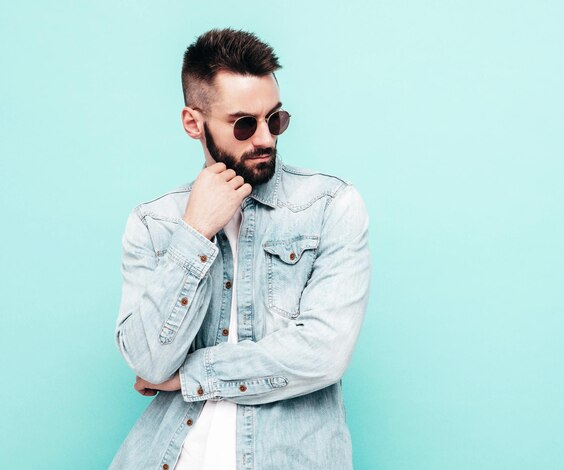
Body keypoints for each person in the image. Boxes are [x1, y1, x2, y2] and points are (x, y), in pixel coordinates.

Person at [110, 28, 370, 470]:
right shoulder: (154, 223)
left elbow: (323, 352)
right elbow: (150, 362)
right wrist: (195, 232)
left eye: (275, 119)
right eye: (244, 123)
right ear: (194, 123)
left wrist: (191, 375)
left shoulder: (329, 206)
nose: (266, 138)